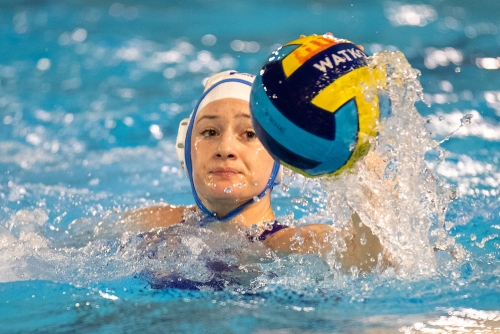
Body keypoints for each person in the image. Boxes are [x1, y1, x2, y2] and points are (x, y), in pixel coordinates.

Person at [124, 67, 391, 273]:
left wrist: (362, 162)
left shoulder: (292, 243)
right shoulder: (155, 222)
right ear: (185, 150)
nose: (225, 147)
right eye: (209, 131)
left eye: (249, 134)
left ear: (280, 158)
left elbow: (368, 261)